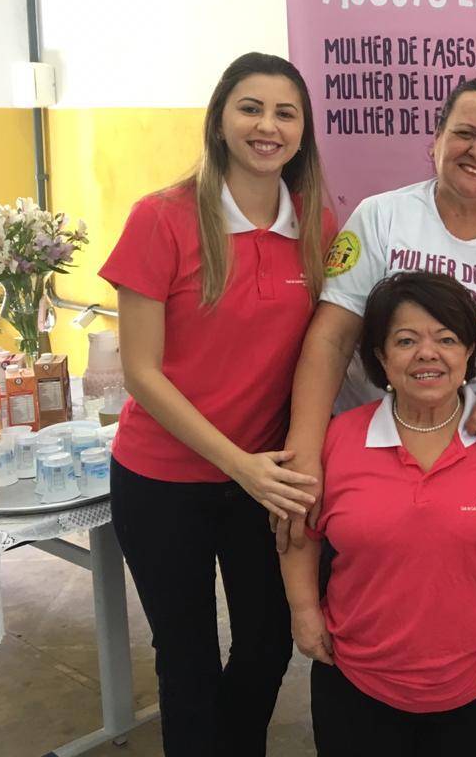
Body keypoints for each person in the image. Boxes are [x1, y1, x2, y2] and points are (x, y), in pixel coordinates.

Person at [101, 52, 332, 755]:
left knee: (267, 644)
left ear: (303, 131)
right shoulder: (162, 218)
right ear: (221, 118)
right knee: (188, 658)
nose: (267, 126)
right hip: (162, 481)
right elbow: (141, 373)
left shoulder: (318, 227)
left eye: (285, 113)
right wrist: (241, 465)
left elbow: (327, 354)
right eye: (250, 108)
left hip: (263, 482)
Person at [278, 77, 476, 550]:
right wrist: (304, 453)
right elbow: (331, 340)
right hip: (372, 461)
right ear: (436, 139)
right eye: (466, 133)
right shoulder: (381, 218)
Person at [280, 271, 476, 756]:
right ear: (380, 357)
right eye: (406, 341)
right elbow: (299, 531)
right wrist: (304, 610)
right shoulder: (335, 441)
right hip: (357, 678)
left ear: (469, 350)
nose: (427, 354)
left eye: (446, 339)